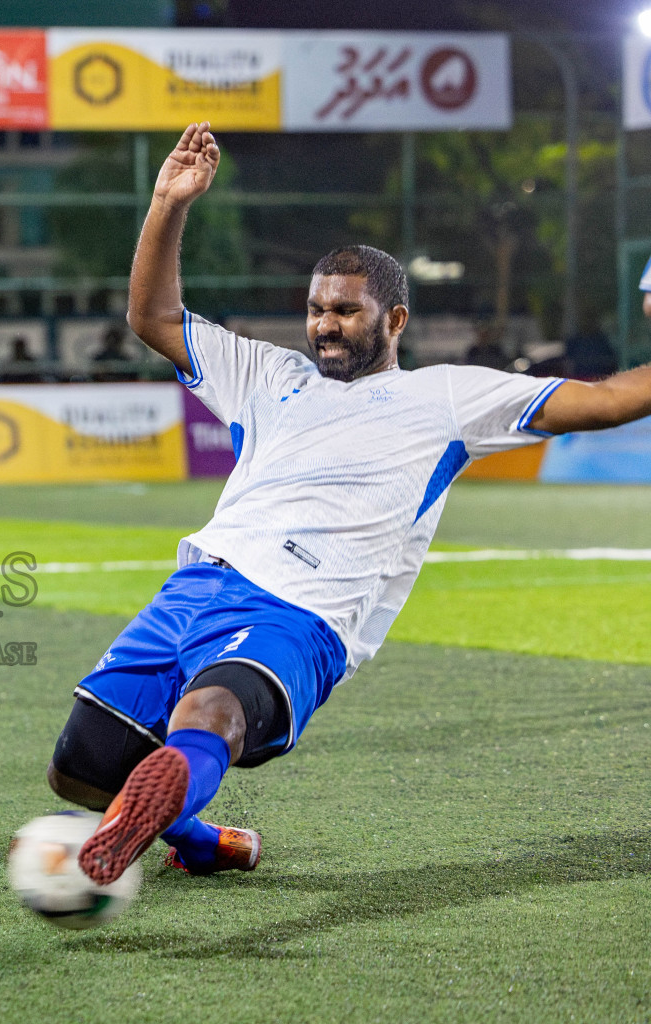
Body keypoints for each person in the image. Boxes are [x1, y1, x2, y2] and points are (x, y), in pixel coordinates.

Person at [50, 123, 651, 886]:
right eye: (317, 309)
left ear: (395, 320)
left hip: (301, 611)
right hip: (195, 587)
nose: (325, 325)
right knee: (79, 769)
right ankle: (203, 840)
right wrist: (169, 203)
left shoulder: (450, 397)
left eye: (346, 311)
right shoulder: (267, 375)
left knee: (210, 720)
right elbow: (153, 320)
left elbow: (601, 403)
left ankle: (154, 825)